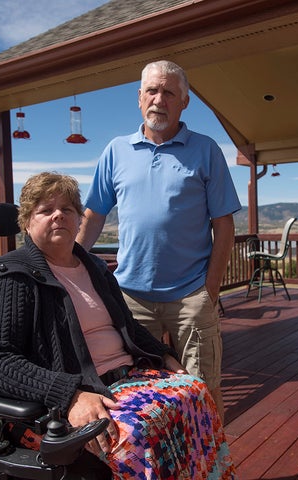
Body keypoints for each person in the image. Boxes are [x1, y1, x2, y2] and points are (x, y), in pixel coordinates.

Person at [0, 172, 236, 479]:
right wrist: (70, 396)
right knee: (136, 431)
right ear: (27, 222)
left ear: (77, 220)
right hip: (81, 391)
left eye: (67, 209)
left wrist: (164, 356)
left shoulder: (94, 267)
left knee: (196, 392)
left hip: (128, 377)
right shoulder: (14, 277)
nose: (58, 215)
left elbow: (128, 327)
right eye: (46, 210)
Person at [77, 60, 241, 418]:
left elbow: (224, 226)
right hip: (130, 300)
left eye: (169, 92)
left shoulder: (206, 150)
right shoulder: (116, 151)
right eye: (152, 90)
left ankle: (209, 468)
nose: (159, 99)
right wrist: (64, 263)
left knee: (204, 391)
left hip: (190, 298)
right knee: (135, 391)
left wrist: (209, 292)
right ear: (139, 98)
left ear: (184, 102)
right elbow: (93, 216)